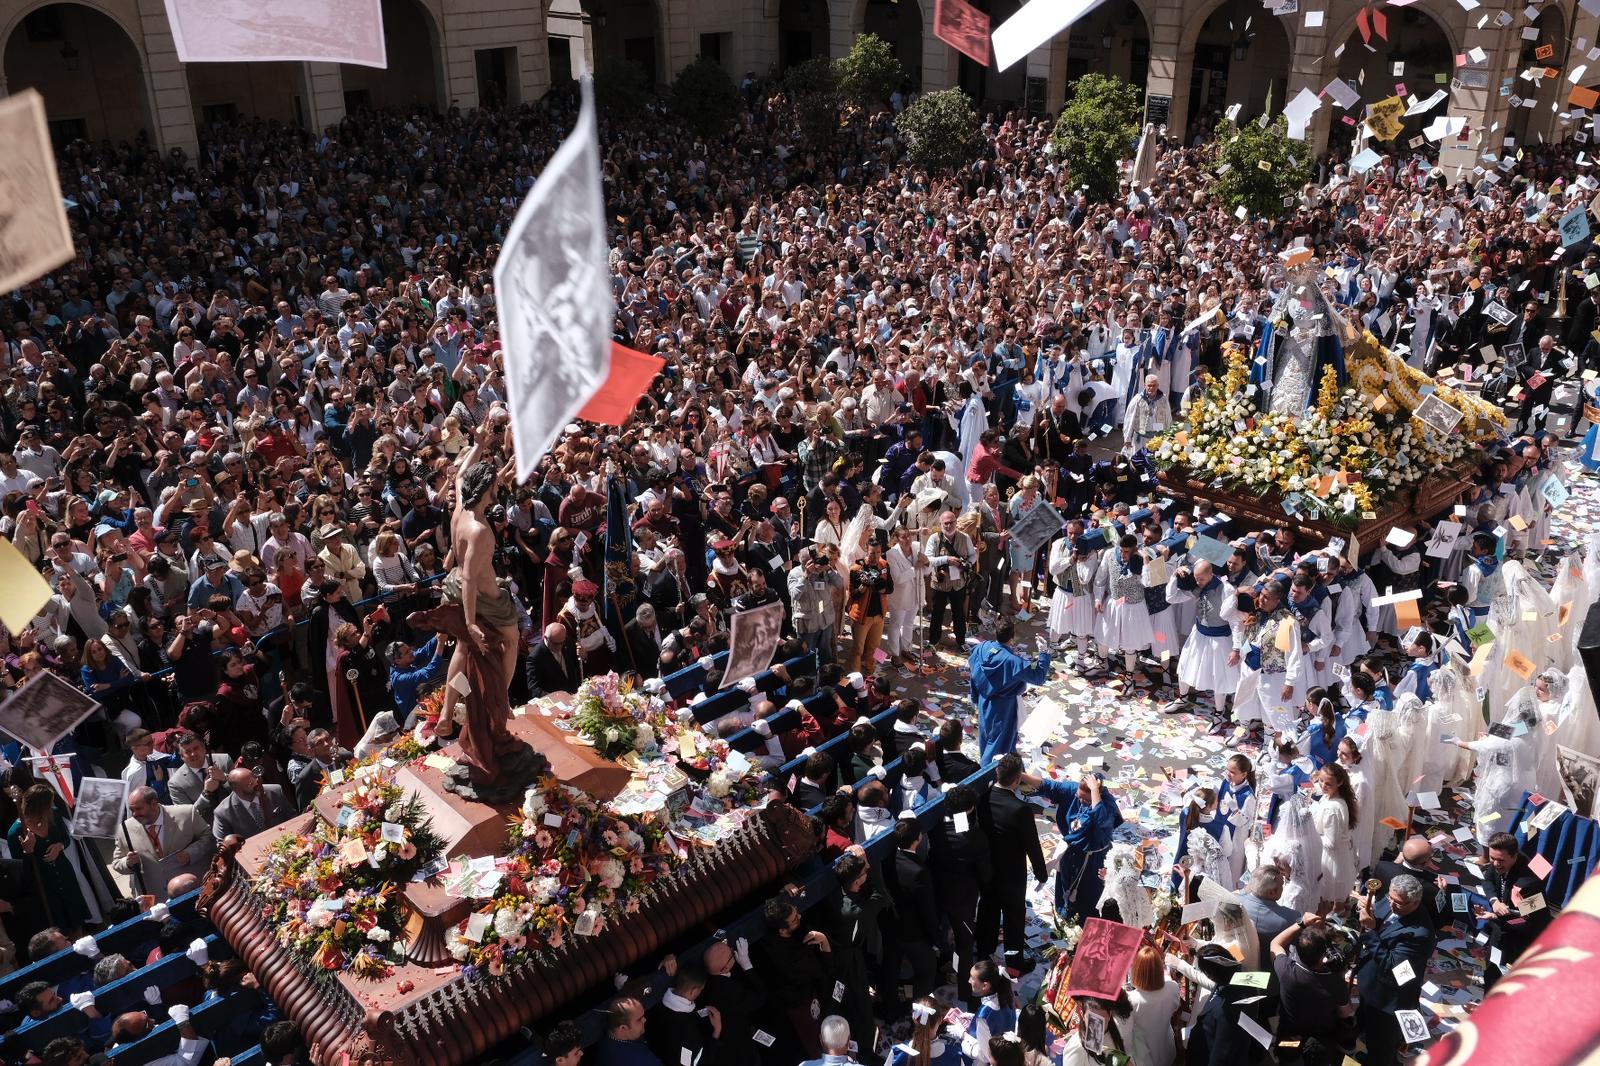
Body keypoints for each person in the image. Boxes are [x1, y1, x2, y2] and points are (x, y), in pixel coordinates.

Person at [976, 754, 1048, 971]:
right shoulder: (1021, 809)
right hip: (1012, 877)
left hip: (988, 871)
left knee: (987, 912)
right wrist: (1041, 874)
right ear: (1017, 779)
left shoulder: (983, 798)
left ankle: (984, 951)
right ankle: (1014, 962)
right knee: (1013, 922)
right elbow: (1032, 846)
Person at [1354, 874, 1435, 1066]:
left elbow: (1394, 967)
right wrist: (1368, 910)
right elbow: (1382, 918)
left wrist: (1370, 932)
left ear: (1415, 902)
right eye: (1389, 898)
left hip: (1388, 999)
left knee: (1381, 1046)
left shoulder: (1420, 934)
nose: (1390, 904)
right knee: (1367, 1030)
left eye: (1398, 903)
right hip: (1370, 982)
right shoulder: (1393, 899)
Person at [1022, 770, 1119, 919]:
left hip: (1091, 858)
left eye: (1086, 800)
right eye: (1079, 798)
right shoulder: (1074, 790)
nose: (1081, 802)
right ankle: (1065, 911)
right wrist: (1021, 775)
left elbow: (1101, 820)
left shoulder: (1108, 805)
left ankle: (1082, 918)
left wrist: (1094, 791)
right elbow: (1049, 786)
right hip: (1070, 850)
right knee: (1064, 881)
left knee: (1087, 893)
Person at [110, 783, 221, 900]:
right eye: (131, 810)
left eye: (139, 809)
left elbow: (208, 837)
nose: (134, 814)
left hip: (192, 888)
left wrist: (190, 854)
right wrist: (128, 863)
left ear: (153, 804)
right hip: (156, 898)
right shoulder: (124, 829)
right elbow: (117, 863)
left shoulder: (187, 813)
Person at [7, 785, 92, 936]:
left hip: (65, 875)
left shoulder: (54, 815)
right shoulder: (15, 833)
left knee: (76, 918)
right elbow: (21, 871)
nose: (52, 807)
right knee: (59, 927)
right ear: (40, 807)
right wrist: (28, 851)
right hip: (45, 886)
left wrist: (59, 846)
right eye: (49, 804)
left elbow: (65, 839)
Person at [1475, 831, 1554, 986]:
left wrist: (1496, 918)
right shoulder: (1499, 860)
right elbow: (1488, 880)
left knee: (1503, 971)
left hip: (1523, 933)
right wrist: (1495, 902)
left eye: (1501, 860)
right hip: (1503, 923)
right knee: (1493, 965)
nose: (1495, 864)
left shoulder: (1530, 883)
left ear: (1514, 856)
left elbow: (1528, 918)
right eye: (1492, 858)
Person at [969, 621, 1051, 764]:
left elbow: (973, 669)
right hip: (1002, 709)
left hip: (984, 701)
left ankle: (1012, 772)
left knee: (987, 738)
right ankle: (986, 778)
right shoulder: (1013, 661)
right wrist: (1043, 653)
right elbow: (1038, 677)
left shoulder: (982, 647)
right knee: (997, 748)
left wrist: (976, 697)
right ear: (1012, 637)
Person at [1124, 944, 1182, 1066]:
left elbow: (1126, 1035)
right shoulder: (1172, 988)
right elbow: (1175, 1006)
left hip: (1146, 1057)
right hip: (1168, 1049)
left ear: (1136, 970)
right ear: (1160, 967)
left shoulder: (1132, 1000)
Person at [210, 765, 292, 843]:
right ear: (238, 790)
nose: (257, 784)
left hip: (285, 841)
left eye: (255, 779)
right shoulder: (223, 813)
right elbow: (224, 845)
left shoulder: (275, 791)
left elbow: (292, 817)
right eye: (250, 784)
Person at [595, 995, 663, 1066]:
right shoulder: (640, 1060)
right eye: (639, 1019)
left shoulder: (608, 1036)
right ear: (623, 1028)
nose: (644, 1020)